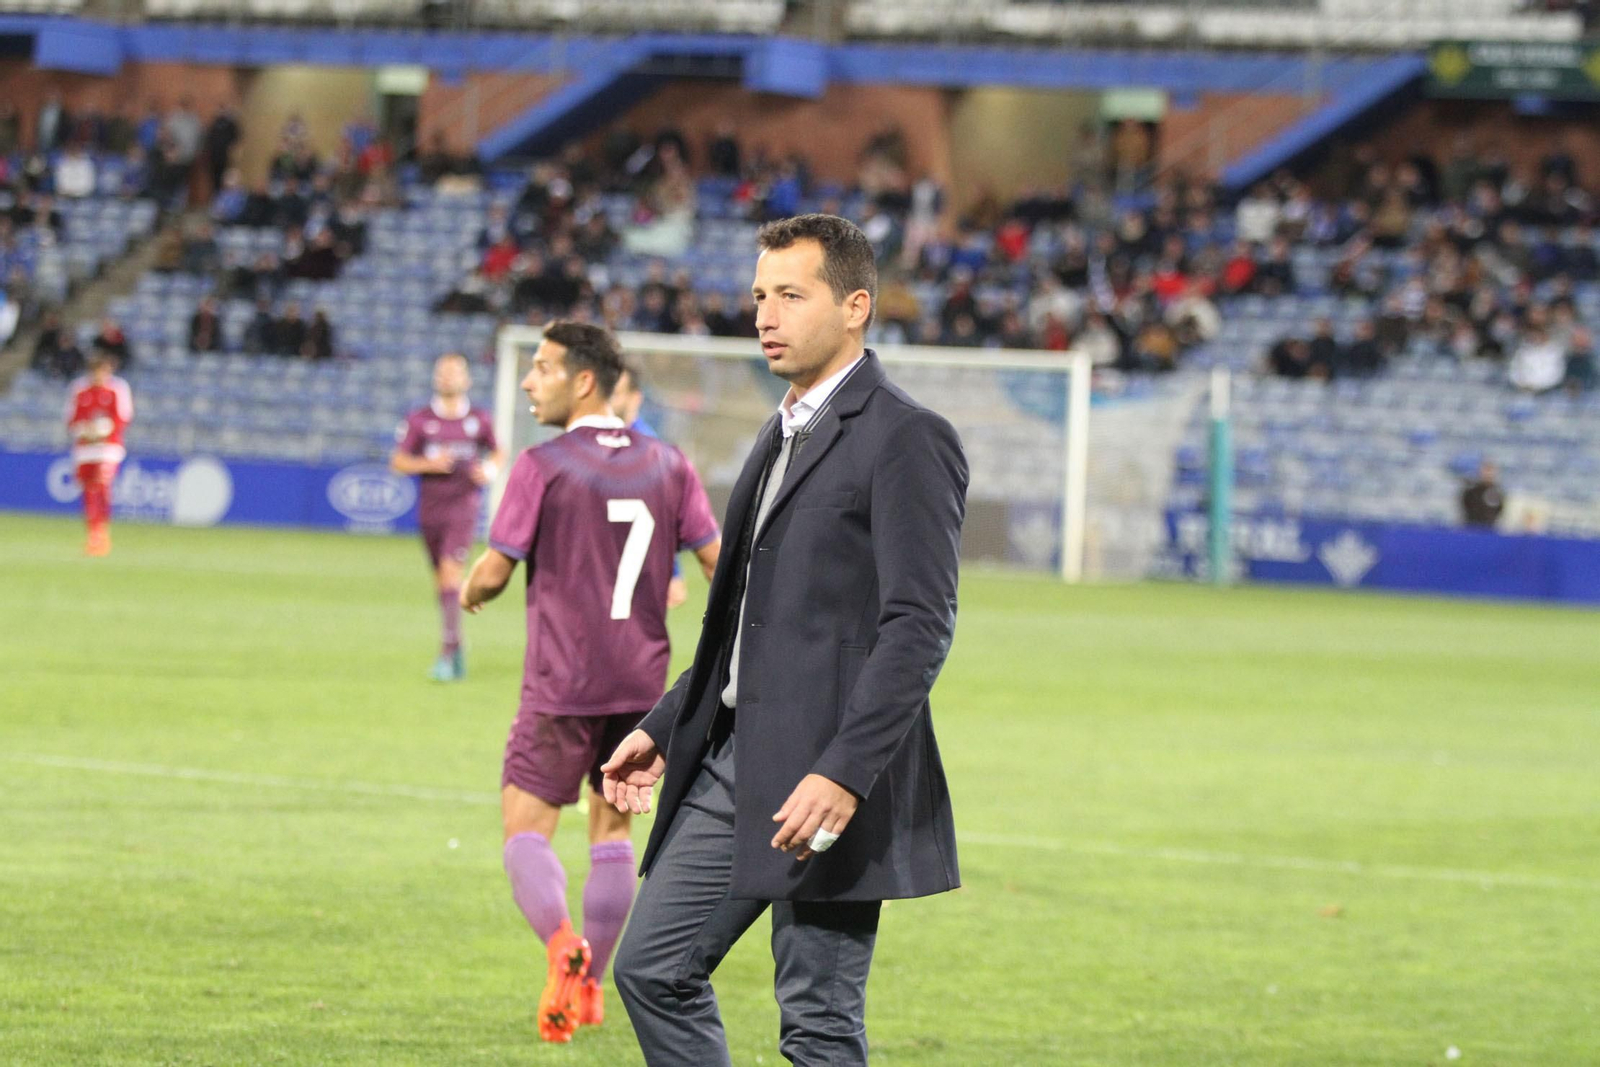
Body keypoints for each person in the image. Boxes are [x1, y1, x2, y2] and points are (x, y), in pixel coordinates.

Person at [601, 214, 969, 1067]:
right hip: (735, 757)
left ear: (855, 307)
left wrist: (844, 771)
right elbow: (746, 623)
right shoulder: (781, 430)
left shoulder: (906, 435)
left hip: (827, 773)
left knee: (817, 1021)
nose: (765, 314)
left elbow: (919, 625)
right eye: (760, 295)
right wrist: (665, 724)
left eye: (790, 295)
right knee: (653, 967)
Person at [458, 322, 722, 1044]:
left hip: (560, 684)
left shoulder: (545, 465)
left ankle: (561, 945)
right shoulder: (669, 463)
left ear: (583, 380)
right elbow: (717, 561)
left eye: (541, 368)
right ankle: (594, 988)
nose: (527, 381)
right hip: (641, 685)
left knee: (525, 829)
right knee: (613, 832)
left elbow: (498, 563)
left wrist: (470, 590)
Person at [389, 354, 503, 682]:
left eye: (455, 372)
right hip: (431, 509)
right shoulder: (419, 419)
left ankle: (447, 653)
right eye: (443, 372)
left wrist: (490, 469)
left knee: (452, 576)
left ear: (466, 379)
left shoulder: (479, 418)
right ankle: (457, 643)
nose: (448, 377)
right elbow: (398, 461)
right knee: (442, 581)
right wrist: (429, 463)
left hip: (463, 507)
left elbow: (497, 450)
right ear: (436, 378)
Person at [610, 363, 689, 610]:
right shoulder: (595, 441)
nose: (609, 399)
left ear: (635, 398)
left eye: (617, 392)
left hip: (637, 573)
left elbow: (664, 512)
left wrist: (674, 571)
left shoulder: (650, 451)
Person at [65, 352, 134, 557]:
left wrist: (105, 430)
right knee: (88, 490)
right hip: (85, 449)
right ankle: (92, 532)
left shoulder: (117, 389)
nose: (100, 375)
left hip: (107, 448)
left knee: (102, 487)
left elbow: (123, 417)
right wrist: (84, 430)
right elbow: (71, 419)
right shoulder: (79, 389)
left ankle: (102, 532)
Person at [1461, 460, 1505, 529]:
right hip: (1472, 527)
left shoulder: (1497, 491)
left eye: (1490, 470)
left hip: (1490, 528)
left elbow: (1499, 509)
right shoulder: (1472, 491)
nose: (1488, 473)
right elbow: (1466, 505)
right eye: (1486, 470)